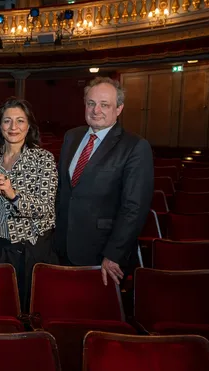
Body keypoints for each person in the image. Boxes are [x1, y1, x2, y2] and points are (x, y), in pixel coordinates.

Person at [53, 77, 153, 285]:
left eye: (104, 105)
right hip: (61, 248)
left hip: (102, 255)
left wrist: (114, 254)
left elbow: (134, 208)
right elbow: (63, 191)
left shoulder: (135, 147)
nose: (96, 110)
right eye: (91, 103)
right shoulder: (71, 137)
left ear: (119, 109)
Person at [0, 97, 58, 311]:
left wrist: (12, 194)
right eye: (7, 121)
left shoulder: (43, 159)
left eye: (20, 121)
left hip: (28, 248)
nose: (13, 127)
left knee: (24, 310)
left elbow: (45, 209)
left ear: (29, 126)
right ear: (0, 126)